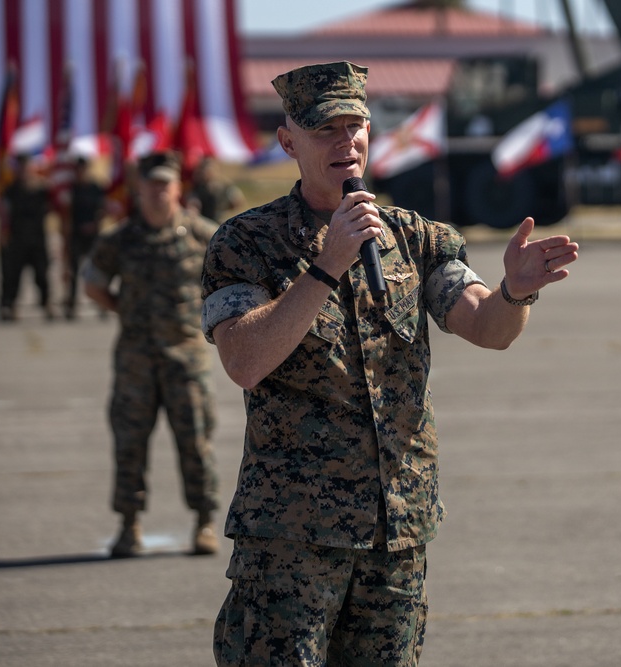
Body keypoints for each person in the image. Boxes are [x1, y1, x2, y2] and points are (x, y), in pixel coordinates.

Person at [202, 61, 579, 666]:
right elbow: (244, 361)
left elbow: (486, 327)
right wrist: (328, 265)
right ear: (288, 142)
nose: (344, 142)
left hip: (397, 533)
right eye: (324, 129)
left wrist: (514, 292)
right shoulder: (245, 242)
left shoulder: (415, 238)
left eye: (354, 126)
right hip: (292, 539)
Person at [83, 150, 221, 559]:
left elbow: (231, 283)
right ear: (139, 188)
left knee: (196, 442)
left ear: (178, 187)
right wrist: (123, 310)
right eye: (152, 183)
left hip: (187, 360)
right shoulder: (120, 239)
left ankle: (204, 522)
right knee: (129, 445)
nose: (159, 190)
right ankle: (129, 525)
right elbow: (93, 284)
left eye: (166, 183)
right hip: (135, 362)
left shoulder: (204, 235)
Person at [0, 154, 55, 321]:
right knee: (12, 276)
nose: (24, 172)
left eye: (26, 168)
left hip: (37, 239)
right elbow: (3, 215)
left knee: (42, 274)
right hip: (17, 240)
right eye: (20, 168)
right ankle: (10, 306)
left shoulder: (42, 190)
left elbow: (55, 206)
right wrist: (3, 236)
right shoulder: (10, 191)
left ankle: (47, 304)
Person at [61, 155, 107, 319]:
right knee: (73, 271)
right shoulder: (72, 189)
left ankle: (102, 303)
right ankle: (71, 305)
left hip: (93, 235)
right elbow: (66, 214)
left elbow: (102, 209)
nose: (81, 173)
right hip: (76, 235)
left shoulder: (96, 188)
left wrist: (95, 224)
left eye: (83, 169)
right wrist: (66, 237)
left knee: (98, 271)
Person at [186, 156, 244, 222]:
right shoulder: (198, 188)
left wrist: (224, 210)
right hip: (204, 220)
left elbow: (237, 202)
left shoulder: (224, 186)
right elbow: (193, 203)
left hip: (220, 220)